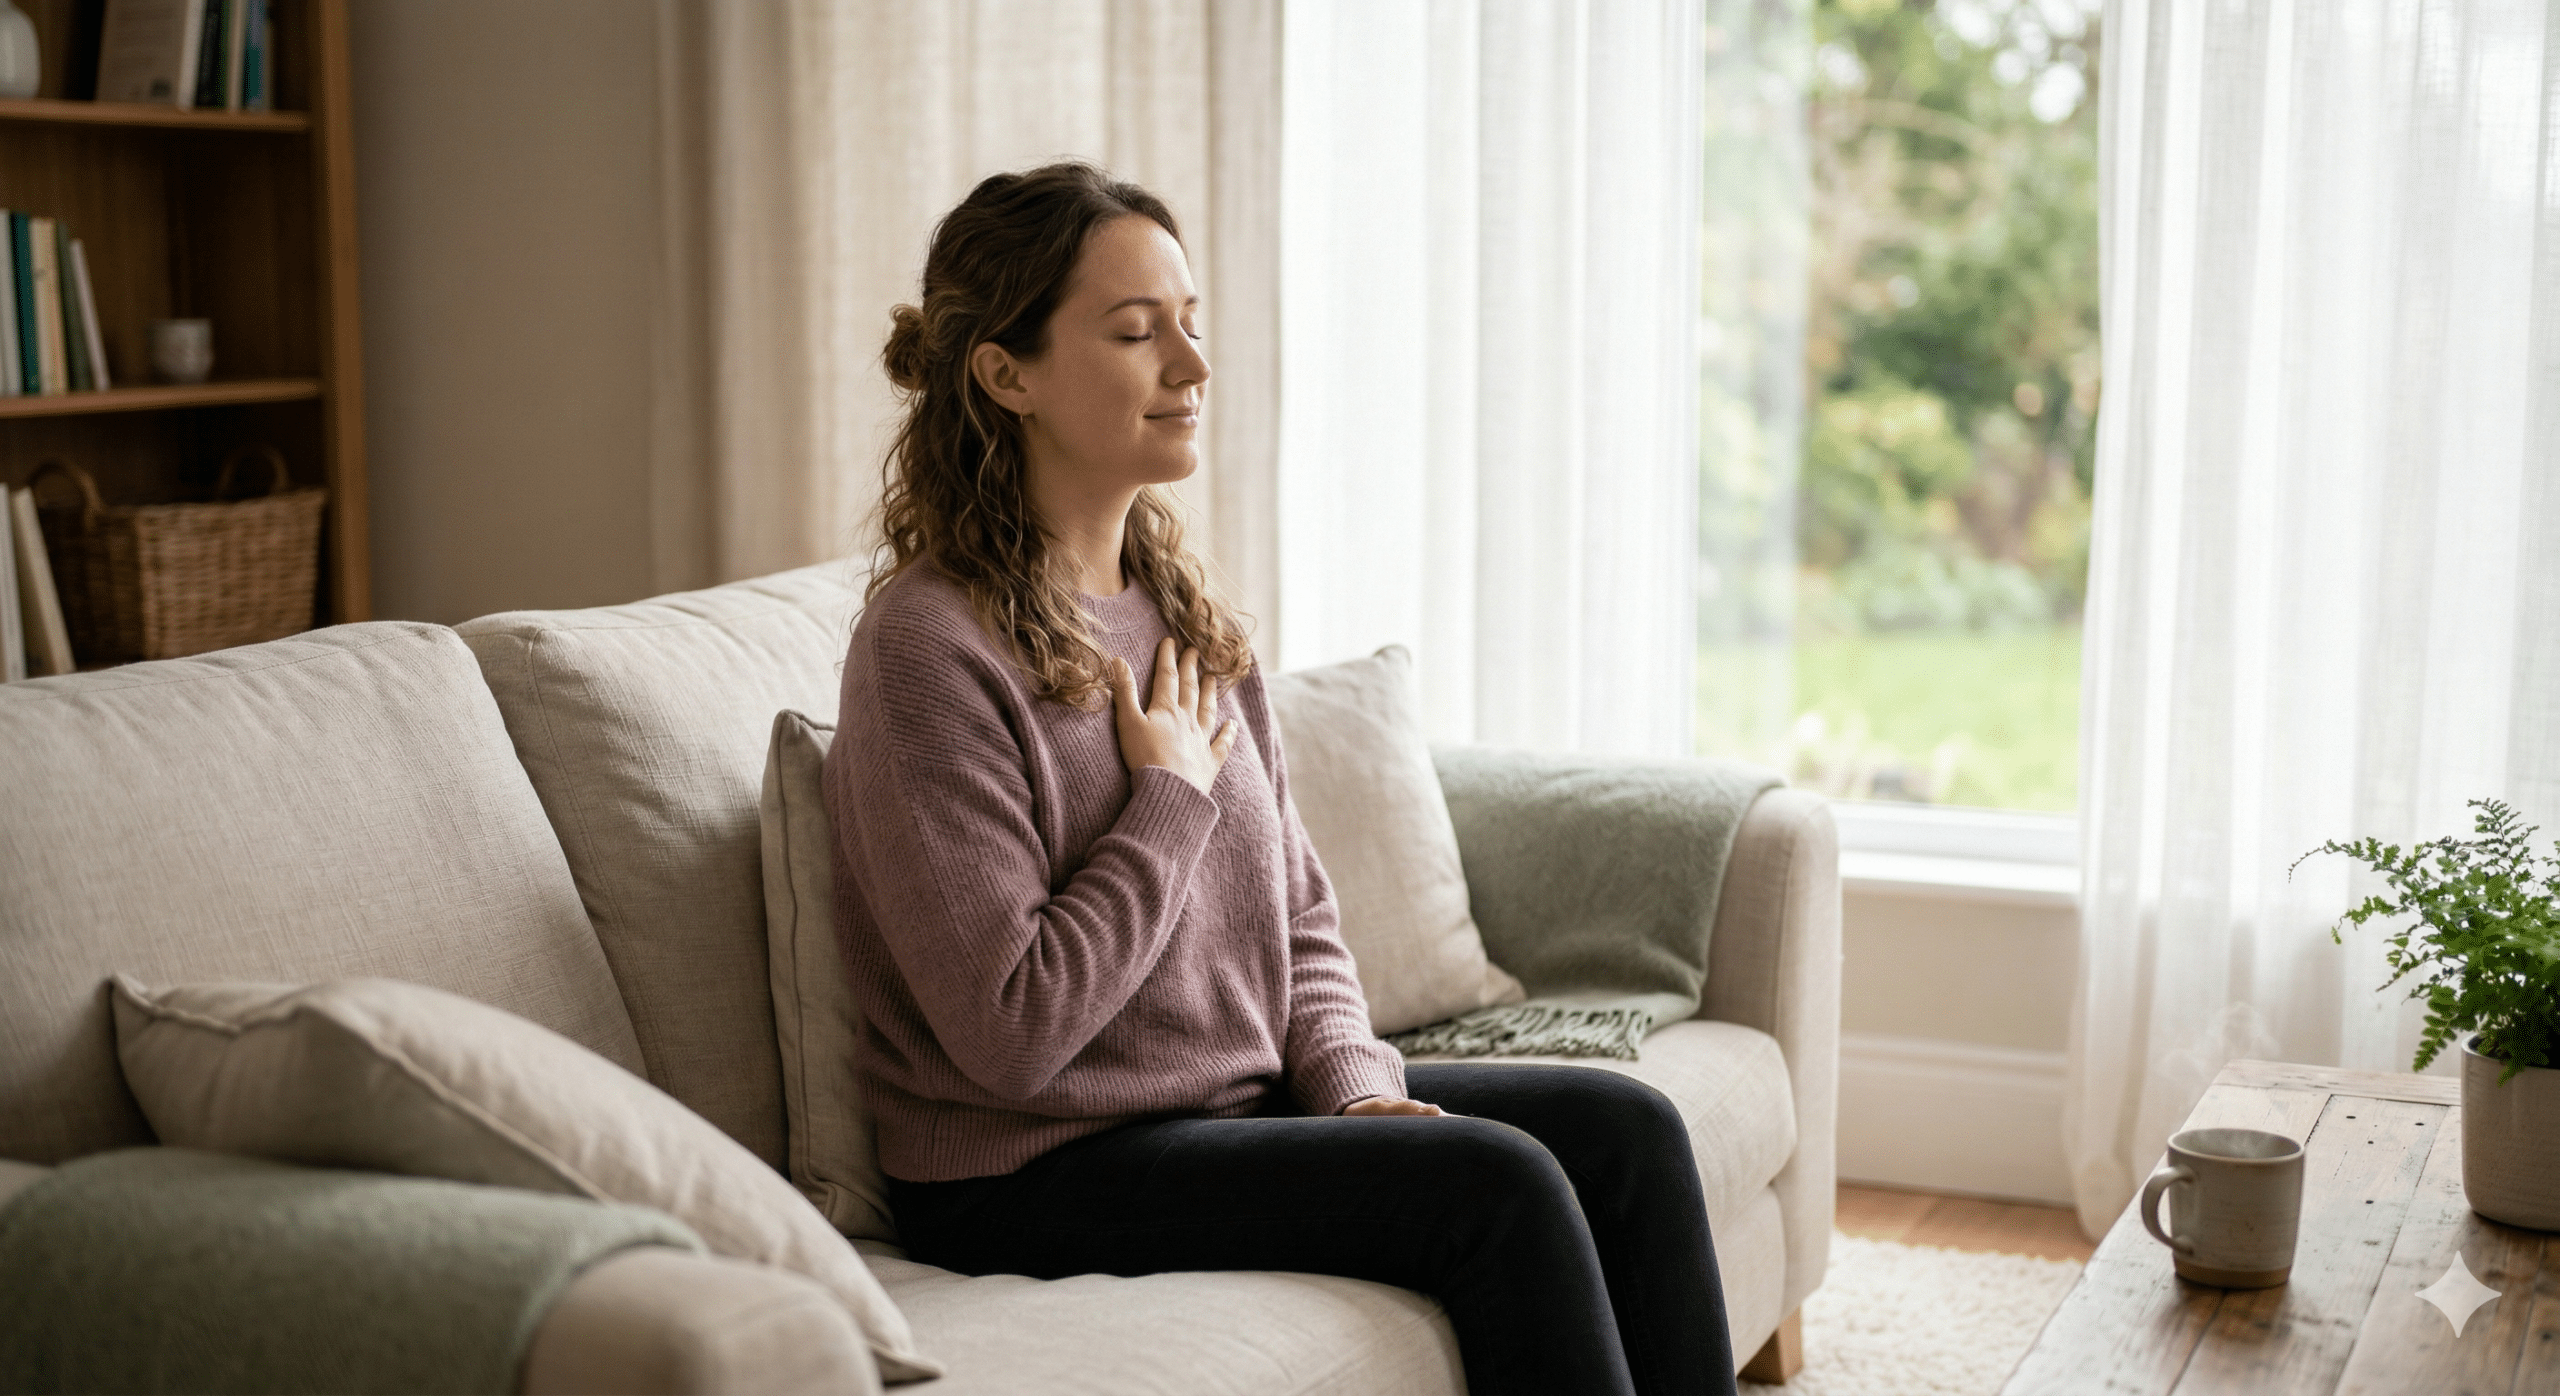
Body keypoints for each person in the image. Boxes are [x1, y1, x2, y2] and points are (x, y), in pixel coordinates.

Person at [824, 161, 1739, 1396]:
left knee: (1626, 1129)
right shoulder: (927, 651)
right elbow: (1010, 1032)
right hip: (1029, 1168)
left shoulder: (1179, 612)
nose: (1191, 367)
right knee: (1497, 1183)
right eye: (1137, 333)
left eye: (1190, 326)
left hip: (1230, 1106)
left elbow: (1297, 920)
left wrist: (1358, 1094)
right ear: (1006, 373)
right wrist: (1165, 803)